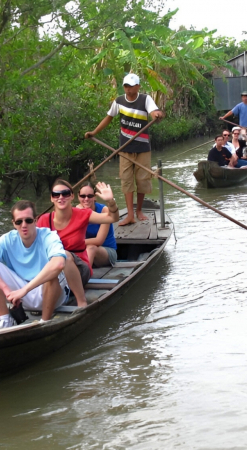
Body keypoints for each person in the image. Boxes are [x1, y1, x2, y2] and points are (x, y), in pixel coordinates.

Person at [84, 73, 165, 226]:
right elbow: (108, 118)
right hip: (125, 148)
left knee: (142, 180)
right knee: (126, 180)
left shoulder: (145, 99)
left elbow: (154, 111)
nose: (129, 89)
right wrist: (94, 132)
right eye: (126, 86)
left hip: (142, 147)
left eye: (132, 86)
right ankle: (130, 215)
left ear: (138, 87)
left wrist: (157, 114)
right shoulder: (119, 101)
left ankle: (139, 210)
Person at [0, 200, 69, 328]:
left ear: (35, 220)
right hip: (21, 295)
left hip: (51, 295)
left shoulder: (48, 236)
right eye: (19, 222)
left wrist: (24, 290)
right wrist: (6, 290)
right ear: (14, 223)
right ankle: (5, 320)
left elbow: (59, 264)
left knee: (53, 272)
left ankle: (45, 322)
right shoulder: (7, 240)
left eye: (28, 220)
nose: (24, 225)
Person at [37, 179, 120, 307]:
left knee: (64, 255)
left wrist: (111, 201)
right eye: (56, 194)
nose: (61, 197)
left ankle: (81, 301)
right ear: (52, 198)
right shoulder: (44, 220)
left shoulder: (82, 214)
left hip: (79, 268)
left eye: (65, 193)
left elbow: (113, 218)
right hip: (55, 270)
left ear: (71, 196)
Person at [76, 182, 118, 268]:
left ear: (95, 197)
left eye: (90, 196)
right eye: (83, 196)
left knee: (91, 247)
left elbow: (99, 241)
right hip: (83, 249)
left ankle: (84, 274)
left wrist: (74, 243)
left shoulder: (104, 210)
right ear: (78, 197)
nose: (86, 199)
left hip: (105, 251)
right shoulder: (76, 211)